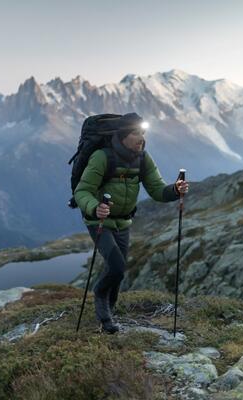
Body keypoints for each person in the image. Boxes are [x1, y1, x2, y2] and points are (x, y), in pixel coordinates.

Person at [73, 112, 189, 333]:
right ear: (123, 135)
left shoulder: (143, 158)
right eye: (136, 133)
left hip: (123, 222)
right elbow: (82, 191)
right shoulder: (102, 157)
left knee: (118, 269)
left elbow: (156, 190)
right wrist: (94, 207)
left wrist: (175, 190)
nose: (142, 138)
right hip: (99, 220)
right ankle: (102, 307)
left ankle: (109, 310)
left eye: (143, 133)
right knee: (116, 265)